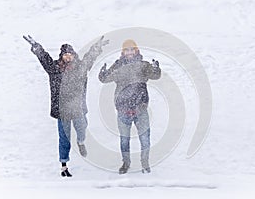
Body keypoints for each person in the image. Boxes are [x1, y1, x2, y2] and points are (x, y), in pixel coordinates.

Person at [25, 35, 108, 177]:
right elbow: (45, 59)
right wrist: (37, 47)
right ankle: (64, 165)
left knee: (82, 128)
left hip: (77, 108)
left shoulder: (80, 67)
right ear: (62, 56)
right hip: (62, 111)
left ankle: (81, 142)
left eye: (70, 54)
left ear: (74, 55)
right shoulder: (55, 69)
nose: (68, 57)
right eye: (65, 55)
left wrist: (97, 47)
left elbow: (89, 57)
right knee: (64, 138)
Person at [98, 39, 161, 174]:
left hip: (141, 109)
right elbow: (105, 79)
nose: (130, 52)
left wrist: (156, 68)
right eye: (127, 50)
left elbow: (155, 76)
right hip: (123, 110)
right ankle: (126, 163)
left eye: (132, 49)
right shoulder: (118, 65)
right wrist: (102, 73)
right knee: (124, 140)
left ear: (136, 51)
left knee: (145, 139)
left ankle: (145, 163)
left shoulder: (143, 65)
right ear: (123, 52)